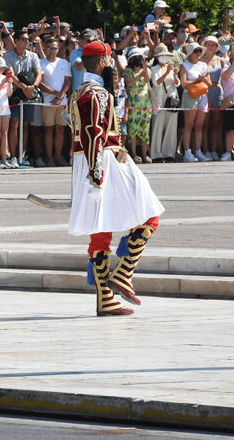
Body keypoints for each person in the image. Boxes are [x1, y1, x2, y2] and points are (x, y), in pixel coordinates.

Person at [68, 42, 163, 317]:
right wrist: (96, 176)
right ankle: (123, 273)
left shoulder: (80, 92)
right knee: (151, 214)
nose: (113, 66)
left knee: (101, 232)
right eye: (109, 61)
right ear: (100, 62)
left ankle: (106, 299)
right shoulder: (95, 94)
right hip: (107, 160)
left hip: (93, 163)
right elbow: (93, 134)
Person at [5, 29, 43, 167]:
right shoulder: (8, 56)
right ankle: (13, 156)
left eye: (28, 39)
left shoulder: (33, 56)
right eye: (24, 39)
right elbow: (10, 74)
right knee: (14, 124)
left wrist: (33, 87)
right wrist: (24, 88)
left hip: (30, 94)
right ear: (16, 41)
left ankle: (23, 154)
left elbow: (39, 73)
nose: (27, 42)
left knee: (26, 125)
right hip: (14, 94)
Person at [38, 40, 72, 166]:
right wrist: (55, 94)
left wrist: (61, 95)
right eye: (50, 48)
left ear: (58, 49)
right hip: (48, 101)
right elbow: (40, 83)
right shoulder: (41, 63)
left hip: (61, 101)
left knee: (60, 130)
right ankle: (49, 157)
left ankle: (58, 157)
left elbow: (68, 81)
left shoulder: (63, 62)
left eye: (54, 48)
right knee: (48, 130)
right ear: (45, 49)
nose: (52, 51)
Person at [179, 43, 213, 162]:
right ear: (190, 54)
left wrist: (203, 80)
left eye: (200, 51)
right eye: (196, 51)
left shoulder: (204, 65)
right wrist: (197, 80)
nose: (199, 53)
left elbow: (209, 84)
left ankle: (198, 151)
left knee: (199, 126)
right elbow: (183, 84)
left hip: (203, 96)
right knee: (189, 125)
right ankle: (187, 152)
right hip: (190, 96)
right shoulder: (184, 65)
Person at [149, 46, 180, 162]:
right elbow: (156, 83)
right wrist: (167, 72)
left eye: (167, 56)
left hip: (172, 98)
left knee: (171, 127)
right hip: (160, 99)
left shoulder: (171, 68)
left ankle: (169, 153)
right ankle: (156, 154)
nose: (165, 58)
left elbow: (177, 84)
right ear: (157, 57)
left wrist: (175, 75)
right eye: (163, 55)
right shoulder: (154, 69)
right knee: (158, 126)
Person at [123, 49, 153, 163]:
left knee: (145, 130)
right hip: (133, 104)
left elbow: (147, 79)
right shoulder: (128, 71)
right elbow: (129, 83)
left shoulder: (146, 70)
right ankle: (134, 154)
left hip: (145, 105)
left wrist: (145, 67)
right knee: (133, 130)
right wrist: (138, 76)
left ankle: (145, 155)